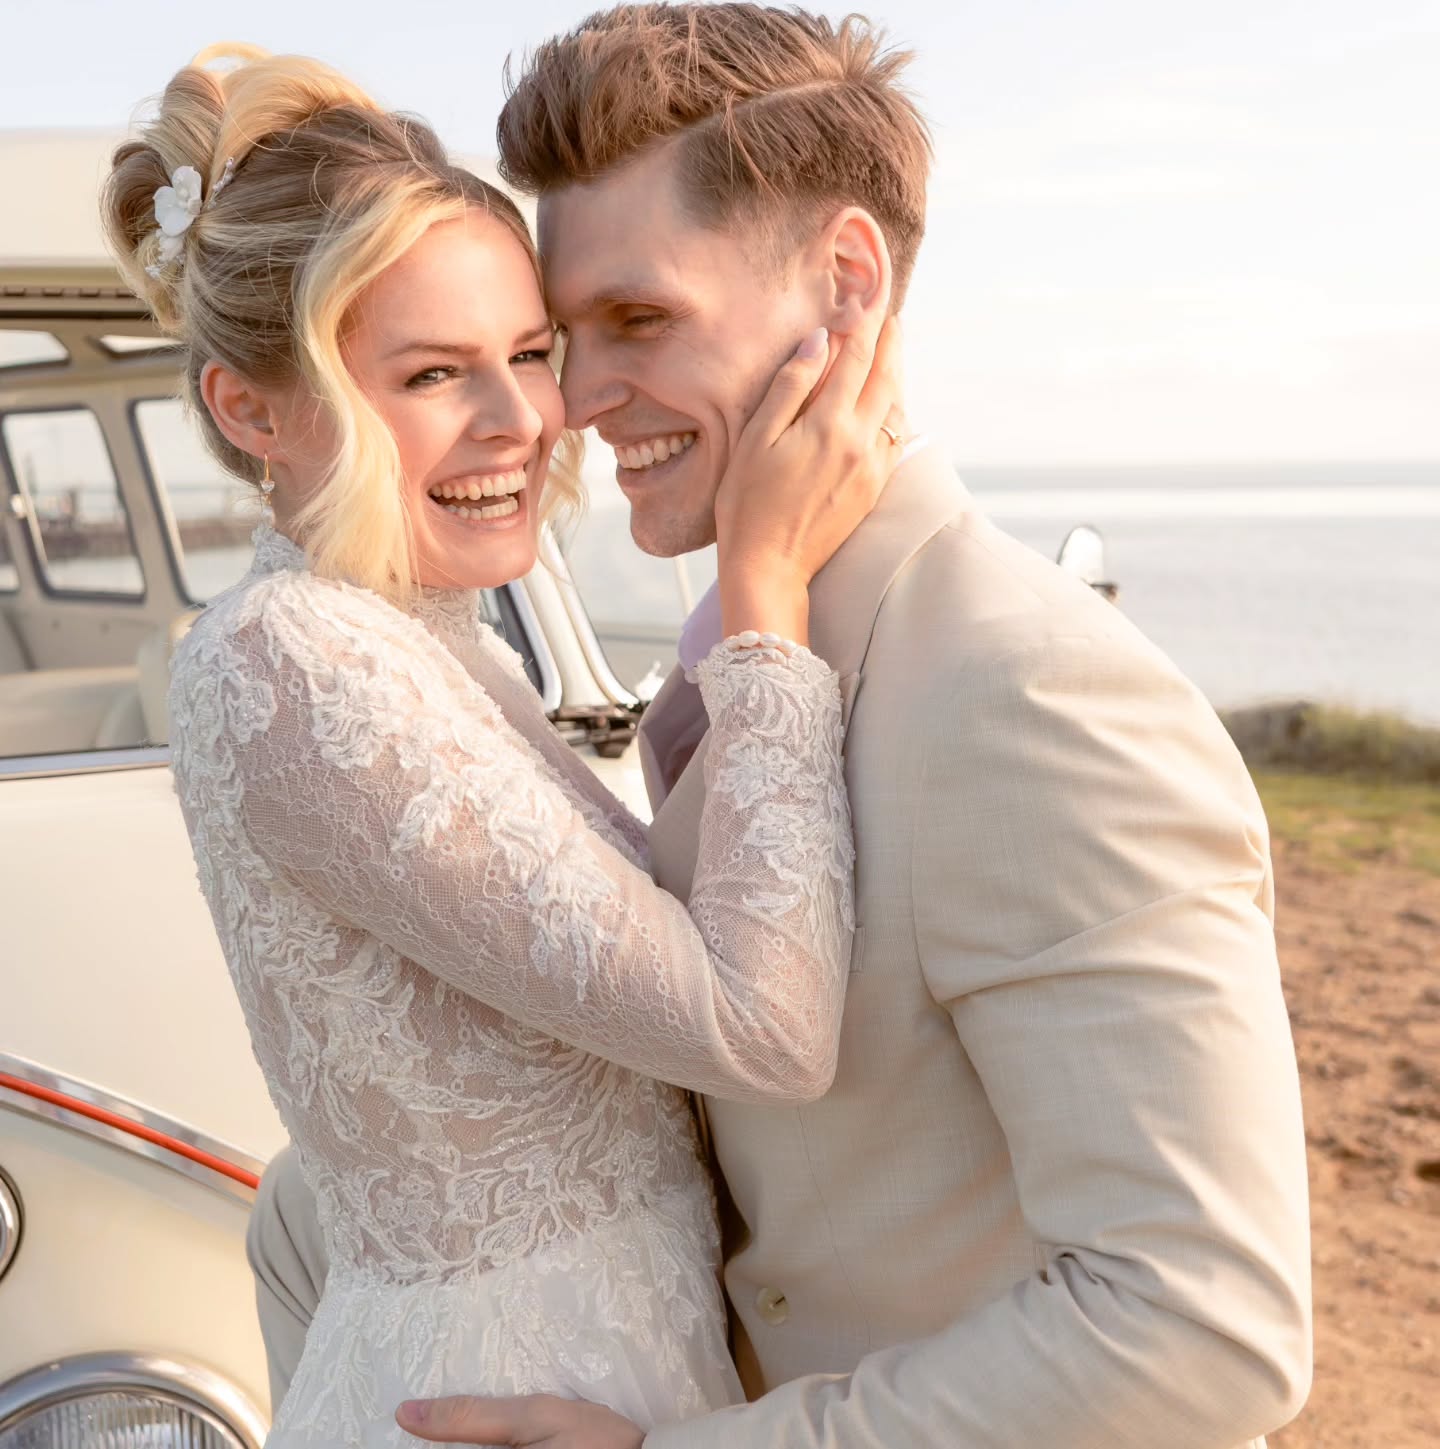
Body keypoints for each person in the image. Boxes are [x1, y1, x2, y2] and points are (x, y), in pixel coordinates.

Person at [251, 9, 1315, 1449]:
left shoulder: (1031, 689)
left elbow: (1204, 1322)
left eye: (639, 319)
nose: (574, 399)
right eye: (568, 336)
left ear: (846, 285)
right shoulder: (753, 655)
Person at [103, 42, 904, 1449]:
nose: (527, 417)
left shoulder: (433, 635)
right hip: (499, 1392)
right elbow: (762, 1028)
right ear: (250, 408)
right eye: (431, 374)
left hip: (604, 1376)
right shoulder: (288, 659)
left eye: (530, 352)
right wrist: (765, 589)